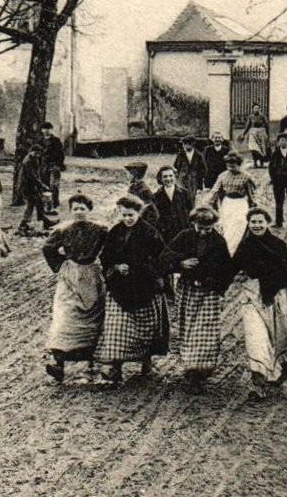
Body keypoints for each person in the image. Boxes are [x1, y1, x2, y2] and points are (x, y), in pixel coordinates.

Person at [231, 208, 287, 398]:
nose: (257, 225)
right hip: (253, 299)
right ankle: (258, 384)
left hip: (277, 297)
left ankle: (279, 375)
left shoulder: (278, 245)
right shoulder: (244, 247)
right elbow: (229, 269)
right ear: (248, 224)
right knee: (256, 340)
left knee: (280, 339)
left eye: (260, 222)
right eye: (253, 222)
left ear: (267, 223)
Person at [95, 195, 175, 384]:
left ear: (138, 213)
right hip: (120, 289)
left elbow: (163, 257)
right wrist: (116, 267)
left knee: (145, 329)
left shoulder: (149, 232)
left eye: (131, 215)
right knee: (116, 327)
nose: (127, 219)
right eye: (124, 215)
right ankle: (115, 366)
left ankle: (146, 363)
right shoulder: (116, 232)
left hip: (144, 287)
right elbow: (106, 256)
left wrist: (145, 270)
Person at [165, 205, 234, 391]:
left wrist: (217, 289)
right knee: (187, 329)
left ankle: (200, 371)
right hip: (187, 290)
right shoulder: (185, 236)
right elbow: (165, 256)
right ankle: (191, 369)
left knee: (204, 331)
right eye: (200, 227)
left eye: (207, 229)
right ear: (193, 223)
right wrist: (181, 263)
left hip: (208, 292)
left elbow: (227, 269)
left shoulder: (218, 241)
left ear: (213, 225)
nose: (203, 232)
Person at [42, 195, 109, 382]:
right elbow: (47, 248)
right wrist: (60, 265)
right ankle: (59, 362)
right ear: (70, 211)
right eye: (75, 209)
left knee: (94, 315)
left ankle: (94, 359)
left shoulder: (100, 229)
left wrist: (105, 265)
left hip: (92, 275)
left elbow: (111, 247)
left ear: (89, 210)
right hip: (70, 275)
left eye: (82, 208)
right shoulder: (63, 230)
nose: (79, 212)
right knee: (66, 315)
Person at [209, 151, 258, 254]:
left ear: (239, 164)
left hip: (240, 204)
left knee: (240, 224)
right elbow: (215, 190)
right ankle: (228, 250)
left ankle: (238, 249)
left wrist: (253, 204)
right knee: (228, 226)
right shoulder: (223, 176)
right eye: (228, 165)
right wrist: (208, 201)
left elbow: (252, 192)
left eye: (233, 165)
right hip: (228, 204)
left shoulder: (246, 176)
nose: (231, 167)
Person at [16, 146, 56, 235]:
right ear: (31, 151)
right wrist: (42, 185)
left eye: (39, 153)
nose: (38, 155)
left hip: (32, 186)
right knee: (31, 204)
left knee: (38, 203)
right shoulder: (27, 161)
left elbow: (37, 175)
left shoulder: (34, 159)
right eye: (36, 153)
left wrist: (40, 185)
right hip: (26, 186)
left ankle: (44, 222)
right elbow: (32, 177)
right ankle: (24, 224)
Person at [151, 164, 194, 242]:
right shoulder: (156, 196)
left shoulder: (184, 193)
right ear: (160, 178)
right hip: (166, 232)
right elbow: (156, 215)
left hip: (183, 230)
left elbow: (191, 211)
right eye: (165, 176)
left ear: (175, 176)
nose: (168, 179)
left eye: (170, 176)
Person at [123, 162, 161, 230]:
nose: (127, 175)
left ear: (134, 174)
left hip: (145, 222)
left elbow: (149, 210)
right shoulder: (133, 187)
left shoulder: (144, 190)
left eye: (129, 173)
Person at [39, 122, 66, 212]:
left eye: (48, 129)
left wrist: (58, 164)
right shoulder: (40, 141)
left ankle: (55, 204)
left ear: (51, 130)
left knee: (54, 185)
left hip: (54, 165)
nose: (46, 131)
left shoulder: (56, 140)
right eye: (44, 129)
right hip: (43, 166)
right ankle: (46, 205)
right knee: (44, 185)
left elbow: (61, 154)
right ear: (42, 130)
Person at [244, 103, 271, 168]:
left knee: (262, 148)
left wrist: (267, 134)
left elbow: (266, 125)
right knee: (254, 148)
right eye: (255, 108)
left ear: (260, 109)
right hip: (253, 133)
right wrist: (244, 134)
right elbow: (248, 126)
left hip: (261, 132)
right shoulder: (251, 117)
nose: (257, 109)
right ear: (253, 109)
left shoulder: (263, 116)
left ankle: (261, 163)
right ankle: (255, 162)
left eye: (258, 108)